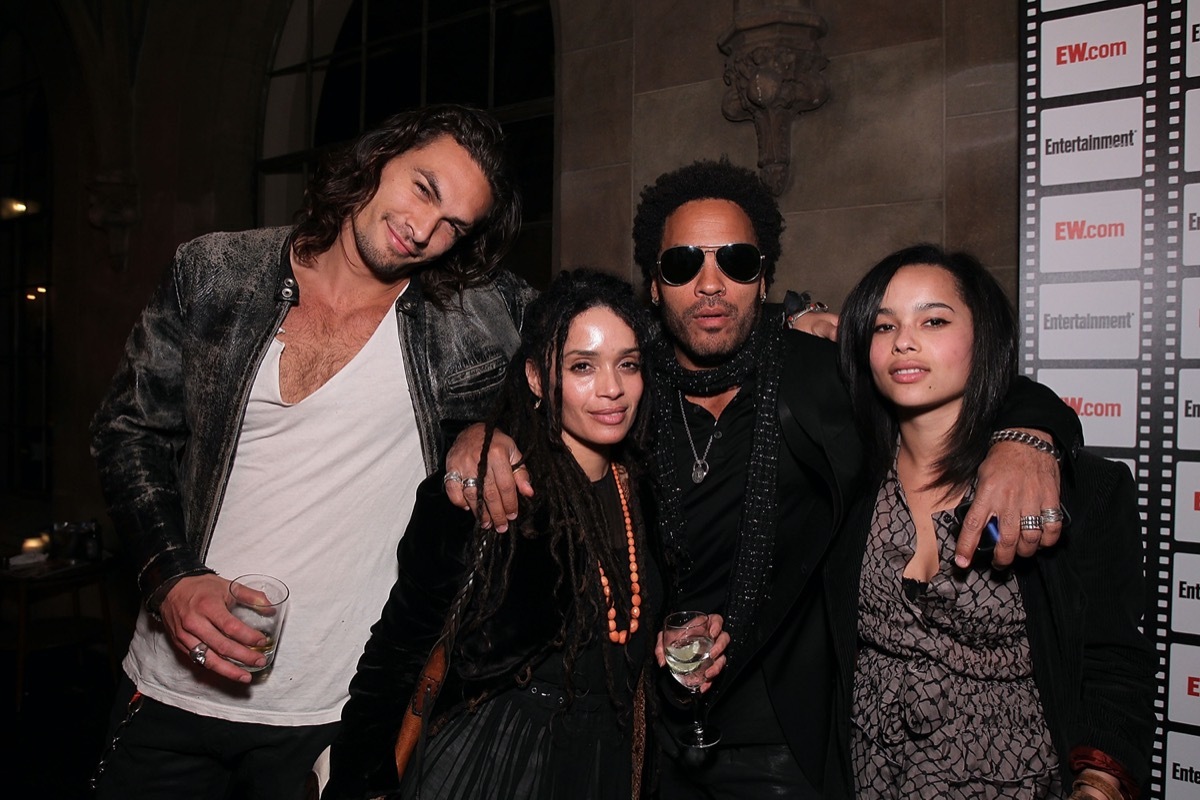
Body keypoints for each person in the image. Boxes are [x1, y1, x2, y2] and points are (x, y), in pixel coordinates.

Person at [446, 158, 1084, 799]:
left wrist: (1029, 437)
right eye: (683, 264)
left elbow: (958, 379)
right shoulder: (625, 391)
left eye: (737, 262)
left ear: (764, 279)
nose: (710, 284)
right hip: (647, 728)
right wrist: (481, 435)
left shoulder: (822, 373)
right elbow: (541, 400)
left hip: (786, 743)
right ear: (654, 286)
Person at [88, 104, 534, 800]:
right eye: (423, 188)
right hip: (173, 688)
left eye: (454, 224)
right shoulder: (215, 272)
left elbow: (592, 360)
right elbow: (127, 432)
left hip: (334, 710)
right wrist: (170, 579)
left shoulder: (476, 315)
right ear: (380, 157)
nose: (424, 229)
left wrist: (491, 427)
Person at [323, 269, 727, 800]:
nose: (612, 388)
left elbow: (625, 649)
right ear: (536, 377)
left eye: (627, 364)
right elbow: (397, 654)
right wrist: (360, 784)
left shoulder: (645, 490)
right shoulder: (491, 491)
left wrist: (668, 653)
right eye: (582, 366)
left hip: (607, 760)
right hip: (496, 760)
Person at [831, 245, 1154, 799]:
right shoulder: (842, 480)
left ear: (984, 339)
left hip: (1018, 782)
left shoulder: (1079, 491)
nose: (904, 341)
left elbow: (1115, 662)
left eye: (934, 320)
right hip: (868, 780)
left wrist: (1099, 783)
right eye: (884, 326)